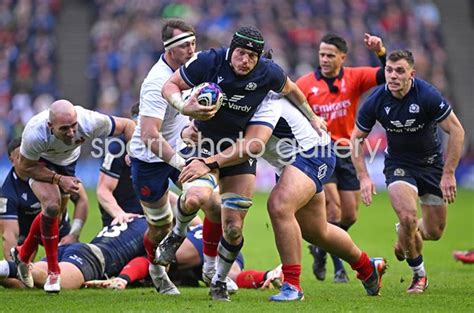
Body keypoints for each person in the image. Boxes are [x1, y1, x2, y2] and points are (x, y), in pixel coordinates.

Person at [159, 25, 325, 301]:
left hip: (238, 152)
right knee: (195, 198)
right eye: (240, 53)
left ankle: (219, 281)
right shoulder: (209, 61)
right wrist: (184, 108)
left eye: (251, 56)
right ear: (231, 50)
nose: (245, 60)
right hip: (204, 145)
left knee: (234, 227)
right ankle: (176, 234)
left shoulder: (268, 72)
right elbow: (170, 85)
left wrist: (311, 116)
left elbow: (293, 90)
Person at [180, 92, 387, 301]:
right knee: (317, 232)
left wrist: (208, 158)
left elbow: (252, 145)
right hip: (290, 164)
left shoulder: (268, 100)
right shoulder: (238, 96)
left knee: (279, 205)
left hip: (313, 153)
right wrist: (190, 129)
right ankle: (368, 267)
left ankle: (293, 286)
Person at [351, 49, 465, 293]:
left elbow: (457, 130)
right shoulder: (376, 100)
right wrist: (364, 177)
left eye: (399, 71)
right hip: (399, 166)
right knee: (407, 217)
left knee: (434, 232)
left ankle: (404, 236)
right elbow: (356, 138)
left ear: (411, 74)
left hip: (432, 165)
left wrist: (448, 173)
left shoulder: (426, 95)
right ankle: (419, 275)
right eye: (389, 70)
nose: (392, 76)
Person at [127, 18, 219, 296]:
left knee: (211, 204)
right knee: (158, 227)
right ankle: (156, 268)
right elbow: (149, 135)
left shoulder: (192, 68)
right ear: (168, 49)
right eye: (184, 45)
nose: (192, 50)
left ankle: (213, 269)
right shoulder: (156, 83)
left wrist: (195, 128)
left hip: (182, 150)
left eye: (193, 42)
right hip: (149, 160)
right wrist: (179, 164)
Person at [11, 99, 135, 293]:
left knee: (55, 214)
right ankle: (54, 273)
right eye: (64, 129)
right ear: (50, 126)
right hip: (40, 163)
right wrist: (59, 179)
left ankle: (23, 254)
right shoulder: (35, 133)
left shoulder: (90, 121)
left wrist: (133, 153)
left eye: (73, 127)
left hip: (68, 163)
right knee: (52, 205)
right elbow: (25, 168)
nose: (71, 133)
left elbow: (128, 125)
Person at [296, 33, 387, 283]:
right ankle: (339, 268)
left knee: (350, 215)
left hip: (347, 152)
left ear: (342, 57)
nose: (324, 59)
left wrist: (380, 52)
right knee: (333, 208)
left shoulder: (354, 77)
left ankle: (321, 246)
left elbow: (387, 75)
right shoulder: (304, 84)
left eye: (330, 55)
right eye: (321, 54)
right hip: (320, 151)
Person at [83, 223, 283, 291]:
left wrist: (124, 277)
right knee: (230, 277)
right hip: (221, 244)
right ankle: (266, 276)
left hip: (199, 239)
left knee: (160, 258)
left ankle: (121, 280)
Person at [0, 217, 149, 289]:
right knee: (49, 279)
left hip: (77, 249)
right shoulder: (154, 229)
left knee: (23, 284)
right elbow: (147, 261)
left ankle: (4, 268)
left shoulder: (133, 218)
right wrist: (123, 279)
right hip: (92, 258)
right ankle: (5, 268)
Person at [0, 138, 88, 260]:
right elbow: (9, 235)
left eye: (30, 155)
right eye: (21, 156)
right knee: (19, 268)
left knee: (74, 263)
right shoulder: (7, 193)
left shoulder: (53, 173)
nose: (27, 159)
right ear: (12, 161)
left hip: (59, 231)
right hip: (26, 236)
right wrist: (13, 268)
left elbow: (81, 199)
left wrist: (74, 234)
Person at [96, 102, 143, 227]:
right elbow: (103, 190)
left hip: (146, 216)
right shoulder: (117, 148)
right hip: (122, 219)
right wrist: (120, 215)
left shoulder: (156, 147)